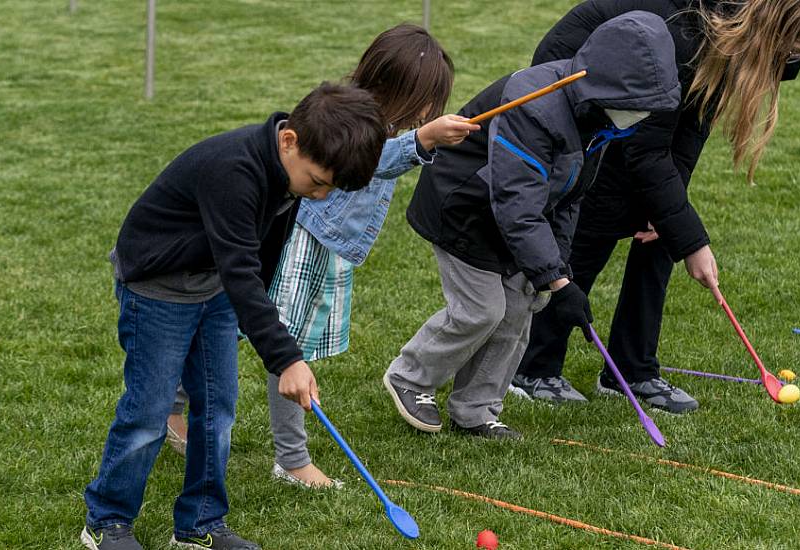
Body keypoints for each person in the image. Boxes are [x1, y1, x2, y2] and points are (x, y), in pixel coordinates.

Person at [163, 25, 477, 489]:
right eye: (425, 99)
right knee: (285, 348)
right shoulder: (357, 123)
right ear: (396, 85)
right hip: (308, 240)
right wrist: (423, 139)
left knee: (246, 330)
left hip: (320, 242)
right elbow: (377, 160)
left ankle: (169, 405)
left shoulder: (376, 120)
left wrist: (421, 136)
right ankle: (290, 459)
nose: (428, 111)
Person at [81, 84, 386, 550]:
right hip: (158, 287)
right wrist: (286, 358)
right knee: (148, 410)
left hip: (214, 285)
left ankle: (200, 524)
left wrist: (256, 313)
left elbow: (262, 253)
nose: (320, 196)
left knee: (218, 411)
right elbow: (239, 267)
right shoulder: (234, 170)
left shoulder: (290, 172)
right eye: (318, 182)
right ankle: (107, 519)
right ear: (289, 141)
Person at [511, 0, 800, 410]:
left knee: (664, 223)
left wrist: (673, 219)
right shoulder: (687, 35)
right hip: (578, 84)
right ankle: (534, 365)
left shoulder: (730, 38)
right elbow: (645, 152)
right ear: (772, 32)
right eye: (793, 52)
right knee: (601, 210)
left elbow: (691, 126)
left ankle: (632, 368)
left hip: (636, 95)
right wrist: (694, 243)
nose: (793, 62)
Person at [383, 11, 681, 440]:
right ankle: (410, 377)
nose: (642, 115)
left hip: (516, 216)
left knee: (522, 306)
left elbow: (569, 197)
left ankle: (476, 409)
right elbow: (515, 203)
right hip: (465, 207)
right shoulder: (536, 108)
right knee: (481, 309)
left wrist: (556, 269)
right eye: (639, 105)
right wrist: (558, 284)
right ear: (612, 89)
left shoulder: (596, 120)